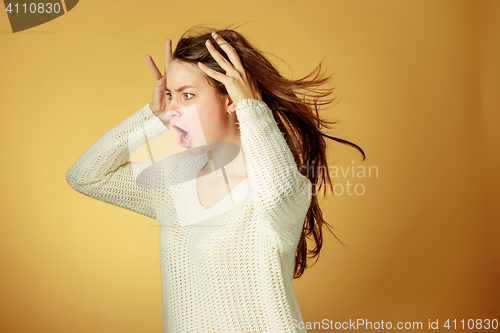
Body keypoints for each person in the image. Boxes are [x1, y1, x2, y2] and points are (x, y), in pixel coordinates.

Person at [66, 25, 365, 333]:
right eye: (169, 95)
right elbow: (85, 176)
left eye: (187, 95)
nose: (172, 109)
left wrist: (251, 106)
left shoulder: (282, 184)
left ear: (230, 99)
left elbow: (276, 196)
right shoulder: (173, 180)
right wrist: (151, 116)